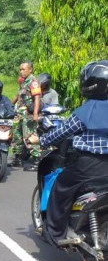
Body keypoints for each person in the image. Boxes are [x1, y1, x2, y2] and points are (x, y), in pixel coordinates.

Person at [28, 60, 108, 246]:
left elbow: (61, 132)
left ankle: (54, 233)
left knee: (60, 187)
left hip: (88, 166)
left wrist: (40, 140)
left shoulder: (86, 110)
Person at [11, 61, 42, 171]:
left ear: (30, 70)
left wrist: (35, 114)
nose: (21, 71)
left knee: (30, 137)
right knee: (17, 136)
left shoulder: (33, 82)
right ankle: (18, 159)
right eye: (20, 69)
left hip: (28, 114)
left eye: (24, 69)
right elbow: (18, 95)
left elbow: (37, 98)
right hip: (20, 114)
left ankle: (37, 161)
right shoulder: (23, 82)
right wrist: (9, 106)